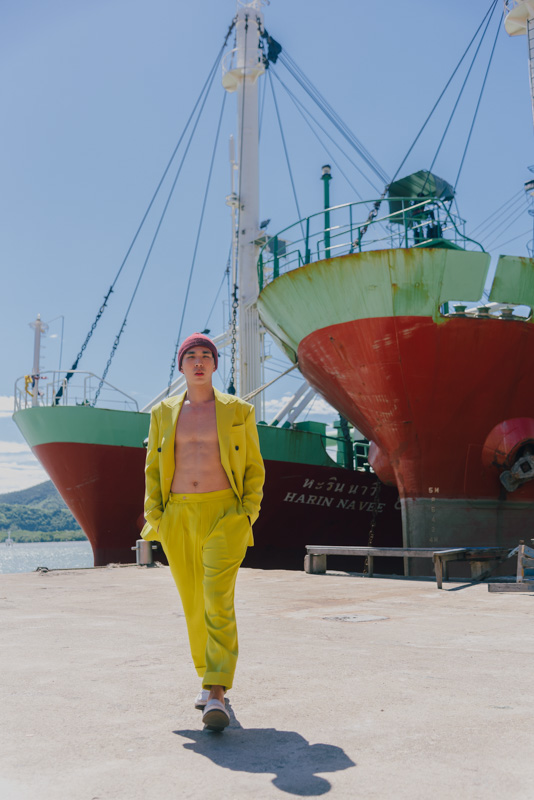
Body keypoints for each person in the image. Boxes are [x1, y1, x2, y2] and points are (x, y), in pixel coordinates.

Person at [140, 332, 265, 731]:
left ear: (214, 365)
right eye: (191, 356)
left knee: (217, 599)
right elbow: (152, 467)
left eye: (206, 355)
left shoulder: (238, 410)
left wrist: (246, 513)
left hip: (225, 513)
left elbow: (254, 467)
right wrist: (157, 515)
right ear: (181, 365)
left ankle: (217, 691)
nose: (198, 361)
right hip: (177, 515)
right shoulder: (162, 413)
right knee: (194, 602)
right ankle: (207, 676)